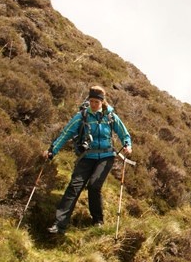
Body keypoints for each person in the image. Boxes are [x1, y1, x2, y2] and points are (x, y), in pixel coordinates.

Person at [43, 85, 132, 234]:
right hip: (87, 156)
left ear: (102, 101)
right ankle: (59, 224)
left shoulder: (110, 116)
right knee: (74, 186)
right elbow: (66, 133)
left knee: (94, 186)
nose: (93, 104)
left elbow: (124, 134)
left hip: (106, 156)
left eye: (96, 102)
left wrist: (127, 145)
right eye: (91, 101)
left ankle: (98, 221)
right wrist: (52, 151)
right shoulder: (82, 116)